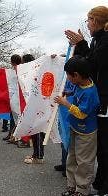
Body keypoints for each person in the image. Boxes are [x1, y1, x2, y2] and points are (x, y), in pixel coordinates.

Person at [64, 6, 108, 195]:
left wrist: (82, 44)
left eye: (89, 20)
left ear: (97, 21)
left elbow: (90, 66)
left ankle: (102, 185)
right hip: (100, 99)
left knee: (103, 147)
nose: (87, 24)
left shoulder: (106, 42)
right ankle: (98, 182)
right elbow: (90, 61)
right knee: (97, 148)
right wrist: (83, 44)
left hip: (104, 100)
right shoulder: (99, 40)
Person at [54, 56, 99, 196]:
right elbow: (72, 92)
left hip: (87, 132)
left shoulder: (90, 92)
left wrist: (65, 103)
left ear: (77, 75)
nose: (67, 78)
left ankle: (82, 190)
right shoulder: (79, 84)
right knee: (72, 157)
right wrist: (67, 94)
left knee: (84, 161)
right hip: (75, 128)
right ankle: (72, 186)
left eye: (68, 75)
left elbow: (81, 114)